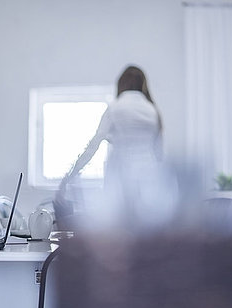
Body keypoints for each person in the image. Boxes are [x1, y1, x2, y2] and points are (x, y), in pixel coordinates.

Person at [56, 65, 163, 219]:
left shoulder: (115, 108)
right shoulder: (152, 111)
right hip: (150, 181)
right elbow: (159, 154)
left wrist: (68, 177)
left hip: (121, 181)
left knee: (120, 234)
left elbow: (92, 146)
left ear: (121, 84)